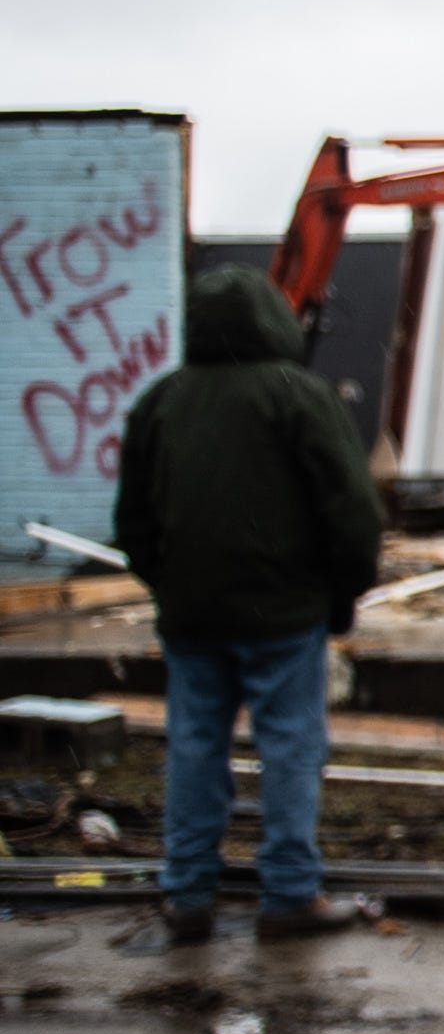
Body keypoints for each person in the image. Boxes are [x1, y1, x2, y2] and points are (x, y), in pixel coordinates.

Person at [115, 269, 385, 943]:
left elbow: (133, 522)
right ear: (274, 321)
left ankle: (187, 895)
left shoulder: (160, 402)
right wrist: (343, 593)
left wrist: (168, 584)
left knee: (194, 746)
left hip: (193, 614)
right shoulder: (299, 396)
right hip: (286, 612)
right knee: (291, 746)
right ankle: (290, 895)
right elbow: (351, 510)